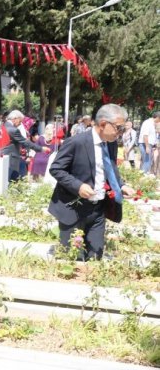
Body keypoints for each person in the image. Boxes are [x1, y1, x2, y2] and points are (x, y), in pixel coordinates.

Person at [48, 104, 135, 260]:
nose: (120, 133)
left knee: (95, 258)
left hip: (98, 210)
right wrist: (78, 185)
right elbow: (56, 169)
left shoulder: (111, 143)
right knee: (72, 259)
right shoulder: (76, 142)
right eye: (118, 128)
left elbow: (110, 166)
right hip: (73, 209)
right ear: (102, 124)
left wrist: (121, 185)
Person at [1, 110, 50, 181]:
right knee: (10, 181)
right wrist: (41, 148)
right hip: (11, 159)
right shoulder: (13, 130)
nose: (20, 124)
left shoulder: (1, 126)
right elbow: (25, 142)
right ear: (15, 119)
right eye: (20, 122)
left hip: (1, 156)